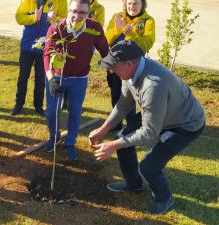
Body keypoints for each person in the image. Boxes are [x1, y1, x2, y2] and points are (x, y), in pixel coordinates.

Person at [89, 40, 205, 214]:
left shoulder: (153, 85)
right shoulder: (128, 74)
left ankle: (164, 198)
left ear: (130, 64)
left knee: (148, 166)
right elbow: (124, 104)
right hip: (159, 112)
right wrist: (103, 129)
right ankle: (133, 184)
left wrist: (113, 146)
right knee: (122, 136)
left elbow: (150, 131)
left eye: (113, 66)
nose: (110, 70)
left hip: (185, 124)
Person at [44, 0, 108, 160]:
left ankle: (70, 143)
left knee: (75, 111)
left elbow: (105, 50)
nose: (76, 16)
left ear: (88, 13)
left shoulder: (94, 28)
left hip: (79, 78)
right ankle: (54, 137)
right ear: (68, 10)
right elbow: (47, 53)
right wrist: (51, 79)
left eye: (82, 13)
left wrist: (112, 66)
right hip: (57, 77)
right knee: (52, 111)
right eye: (73, 11)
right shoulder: (57, 28)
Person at [10, 0, 67, 116]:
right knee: (23, 77)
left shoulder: (60, 1)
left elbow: (65, 21)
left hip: (45, 46)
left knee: (40, 78)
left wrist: (52, 20)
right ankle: (19, 103)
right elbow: (18, 17)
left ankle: (38, 106)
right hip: (27, 45)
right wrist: (33, 18)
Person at [105, 0, 155, 131]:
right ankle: (115, 125)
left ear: (142, 4)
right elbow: (106, 40)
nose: (132, 6)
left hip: (133, 67)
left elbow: (147, 45)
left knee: (130, 97)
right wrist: (117, 30)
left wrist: (131, 34)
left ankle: (131, 126)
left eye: (135, 3)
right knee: (115, 93)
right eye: (129, 3)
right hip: (115, 64)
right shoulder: (117, 17)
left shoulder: (147, 21)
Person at [61, 0, 104, 110]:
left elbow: (99, 29)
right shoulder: (74, 4)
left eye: (83, 12)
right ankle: (64, 98)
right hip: (71, 38)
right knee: (66, 64)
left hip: (87, 38)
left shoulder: (99, 8)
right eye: (75, 11)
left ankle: (72, 101)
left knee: (79, 63)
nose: (78, 14)